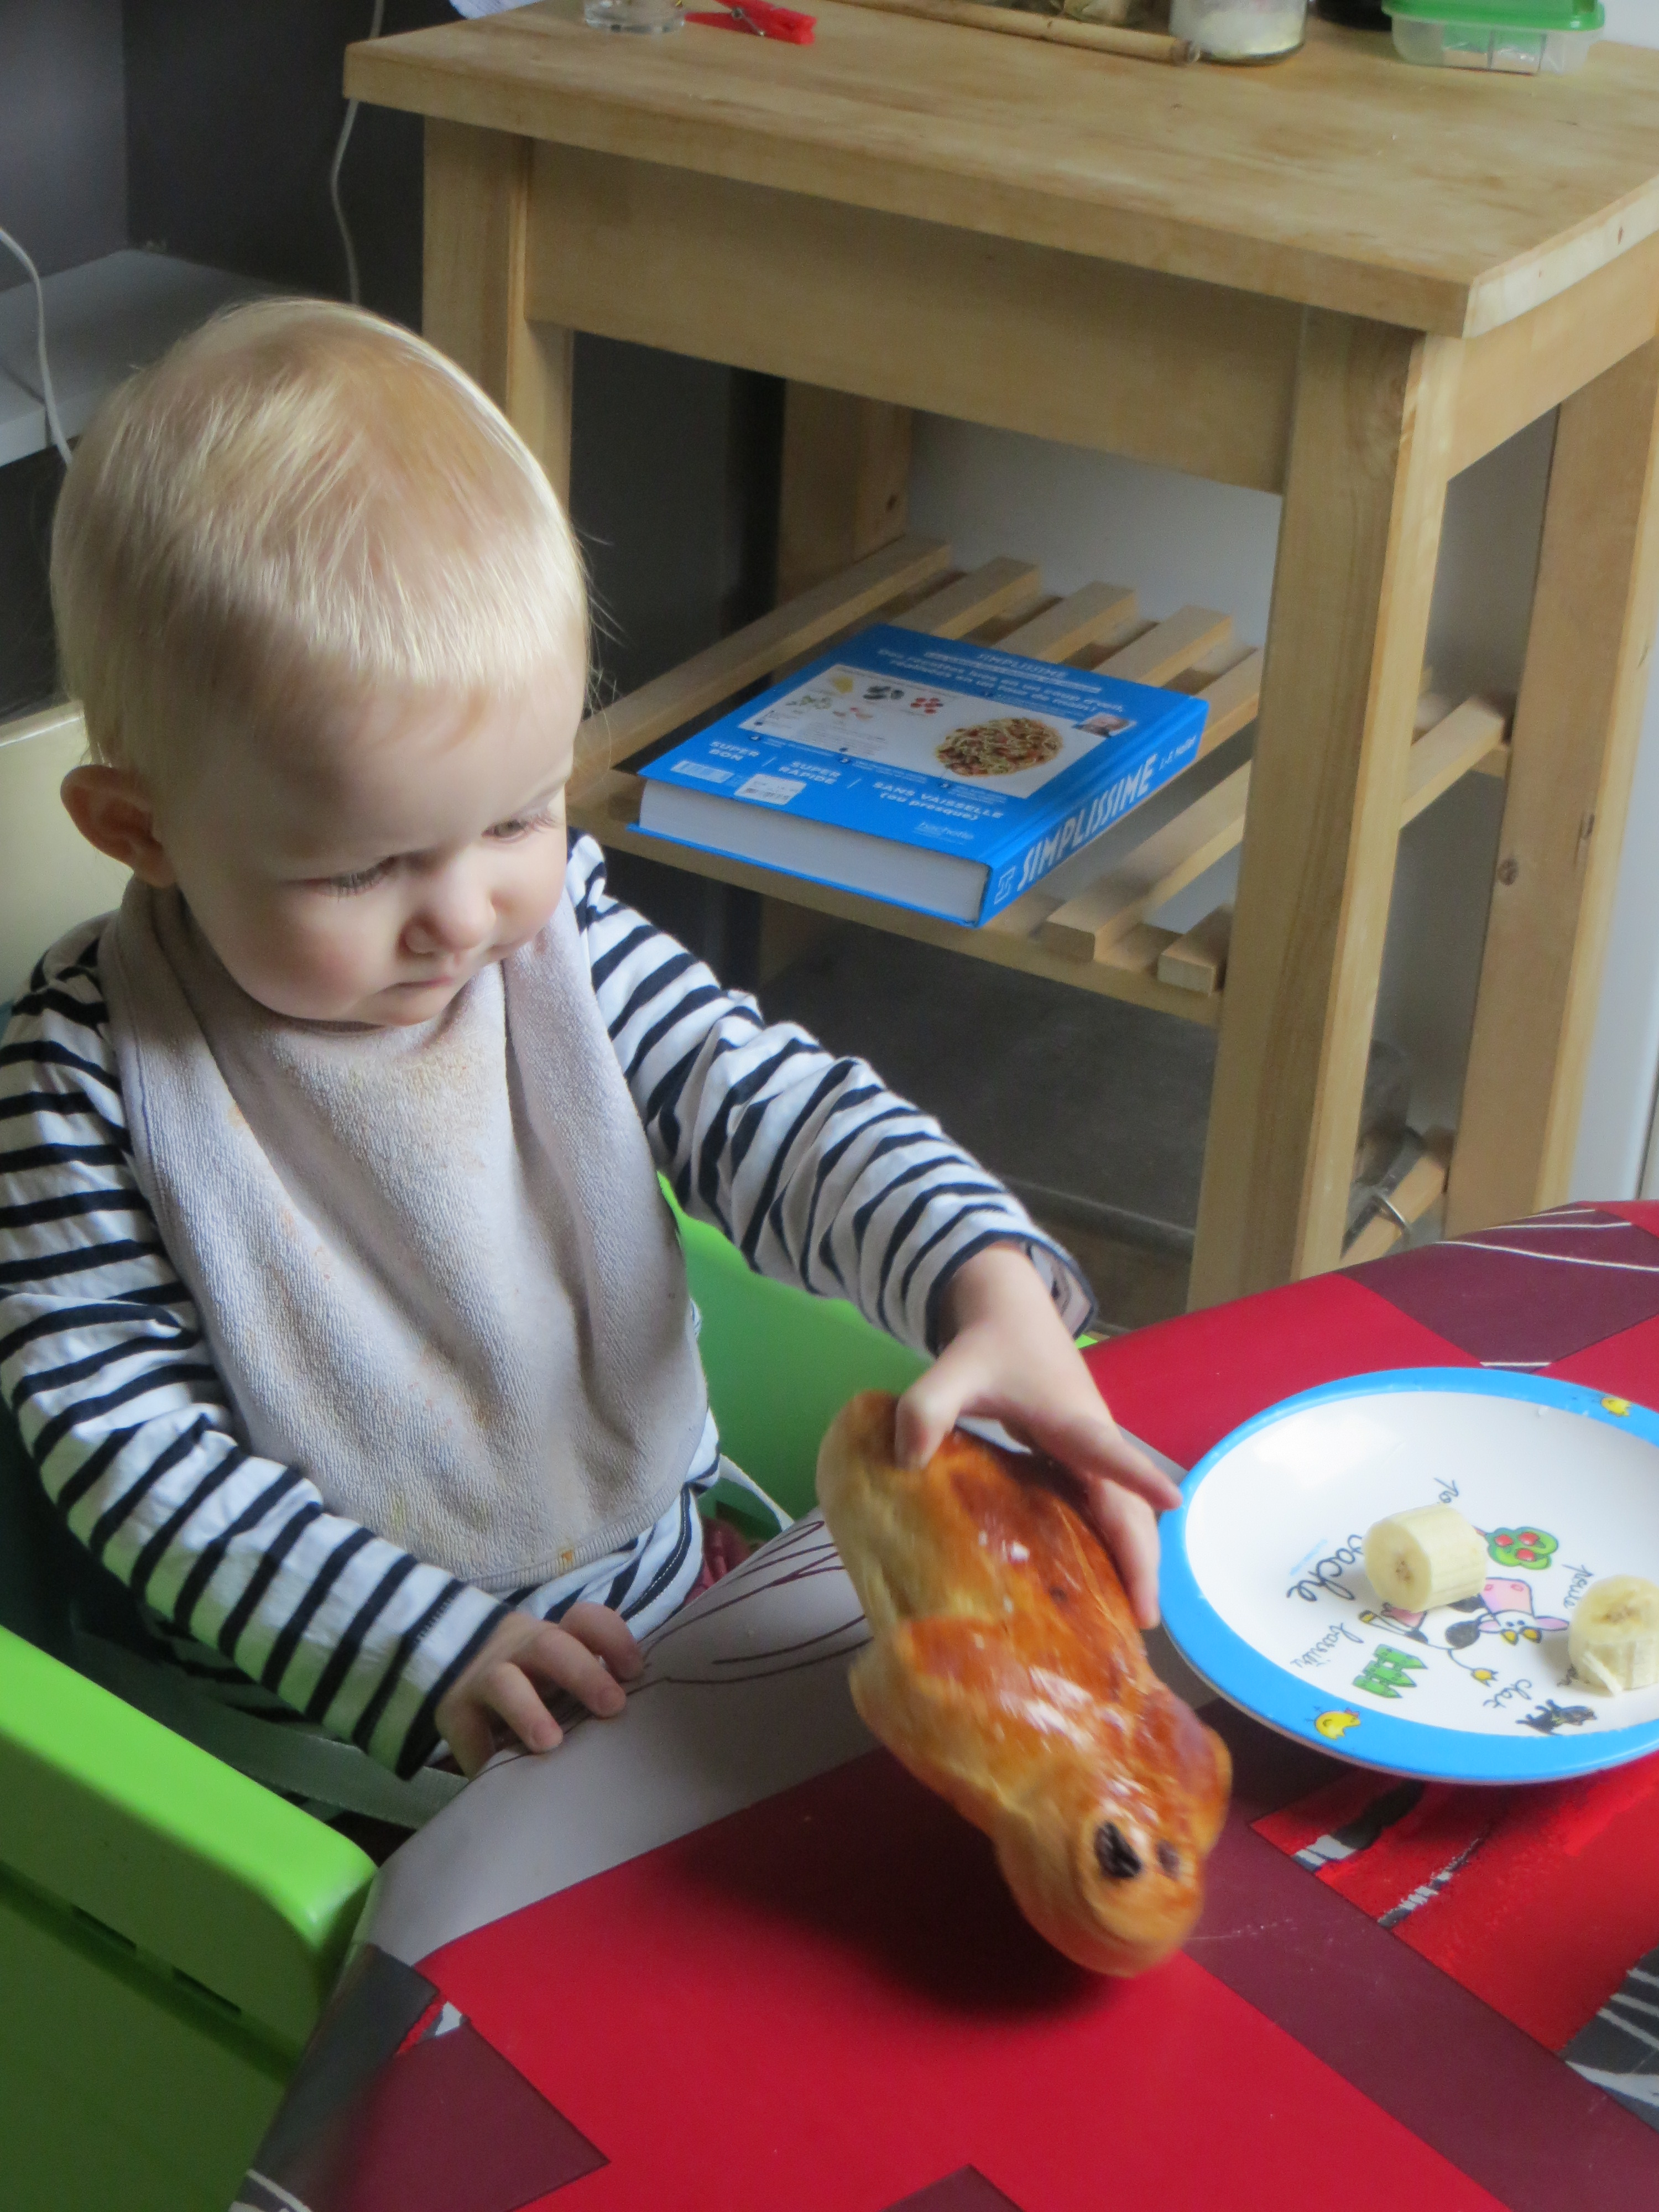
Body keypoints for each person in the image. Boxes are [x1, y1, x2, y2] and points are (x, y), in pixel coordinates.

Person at [0, 300, 1176, 1811]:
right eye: (361, 871)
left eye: (517, 817)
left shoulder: (555, 946)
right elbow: (126, 1448)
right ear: (140, 830)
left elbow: (775, 1110)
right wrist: (426, 1650)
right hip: (342, 1742)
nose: (465, 914)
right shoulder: (89, 1078)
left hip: (671, 1595)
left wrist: (984, 1283)